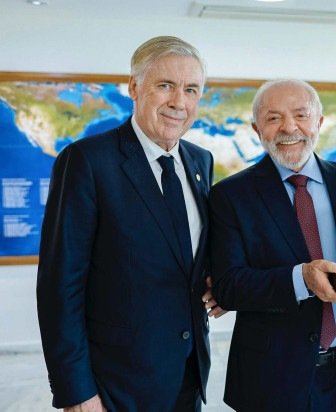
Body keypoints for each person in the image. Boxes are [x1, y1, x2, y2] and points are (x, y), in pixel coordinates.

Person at [37, 36, 224, 412]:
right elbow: (60, 286)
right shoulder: (87, 161)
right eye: (166, 85)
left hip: (187, 375)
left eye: (191, 90)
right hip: (115, 385)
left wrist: (219, 282)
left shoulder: (200, 161)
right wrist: (77, 392)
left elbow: (183, 255)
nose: (179, 102)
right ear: (134, 87)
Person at [209, 79, 336, 412]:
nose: (289, 127)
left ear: (319, 122)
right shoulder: (230, 196)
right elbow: (228, 287)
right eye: (273, 117)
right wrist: (301, 279)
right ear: (256, 129)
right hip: (271, 379)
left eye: (301, 115)